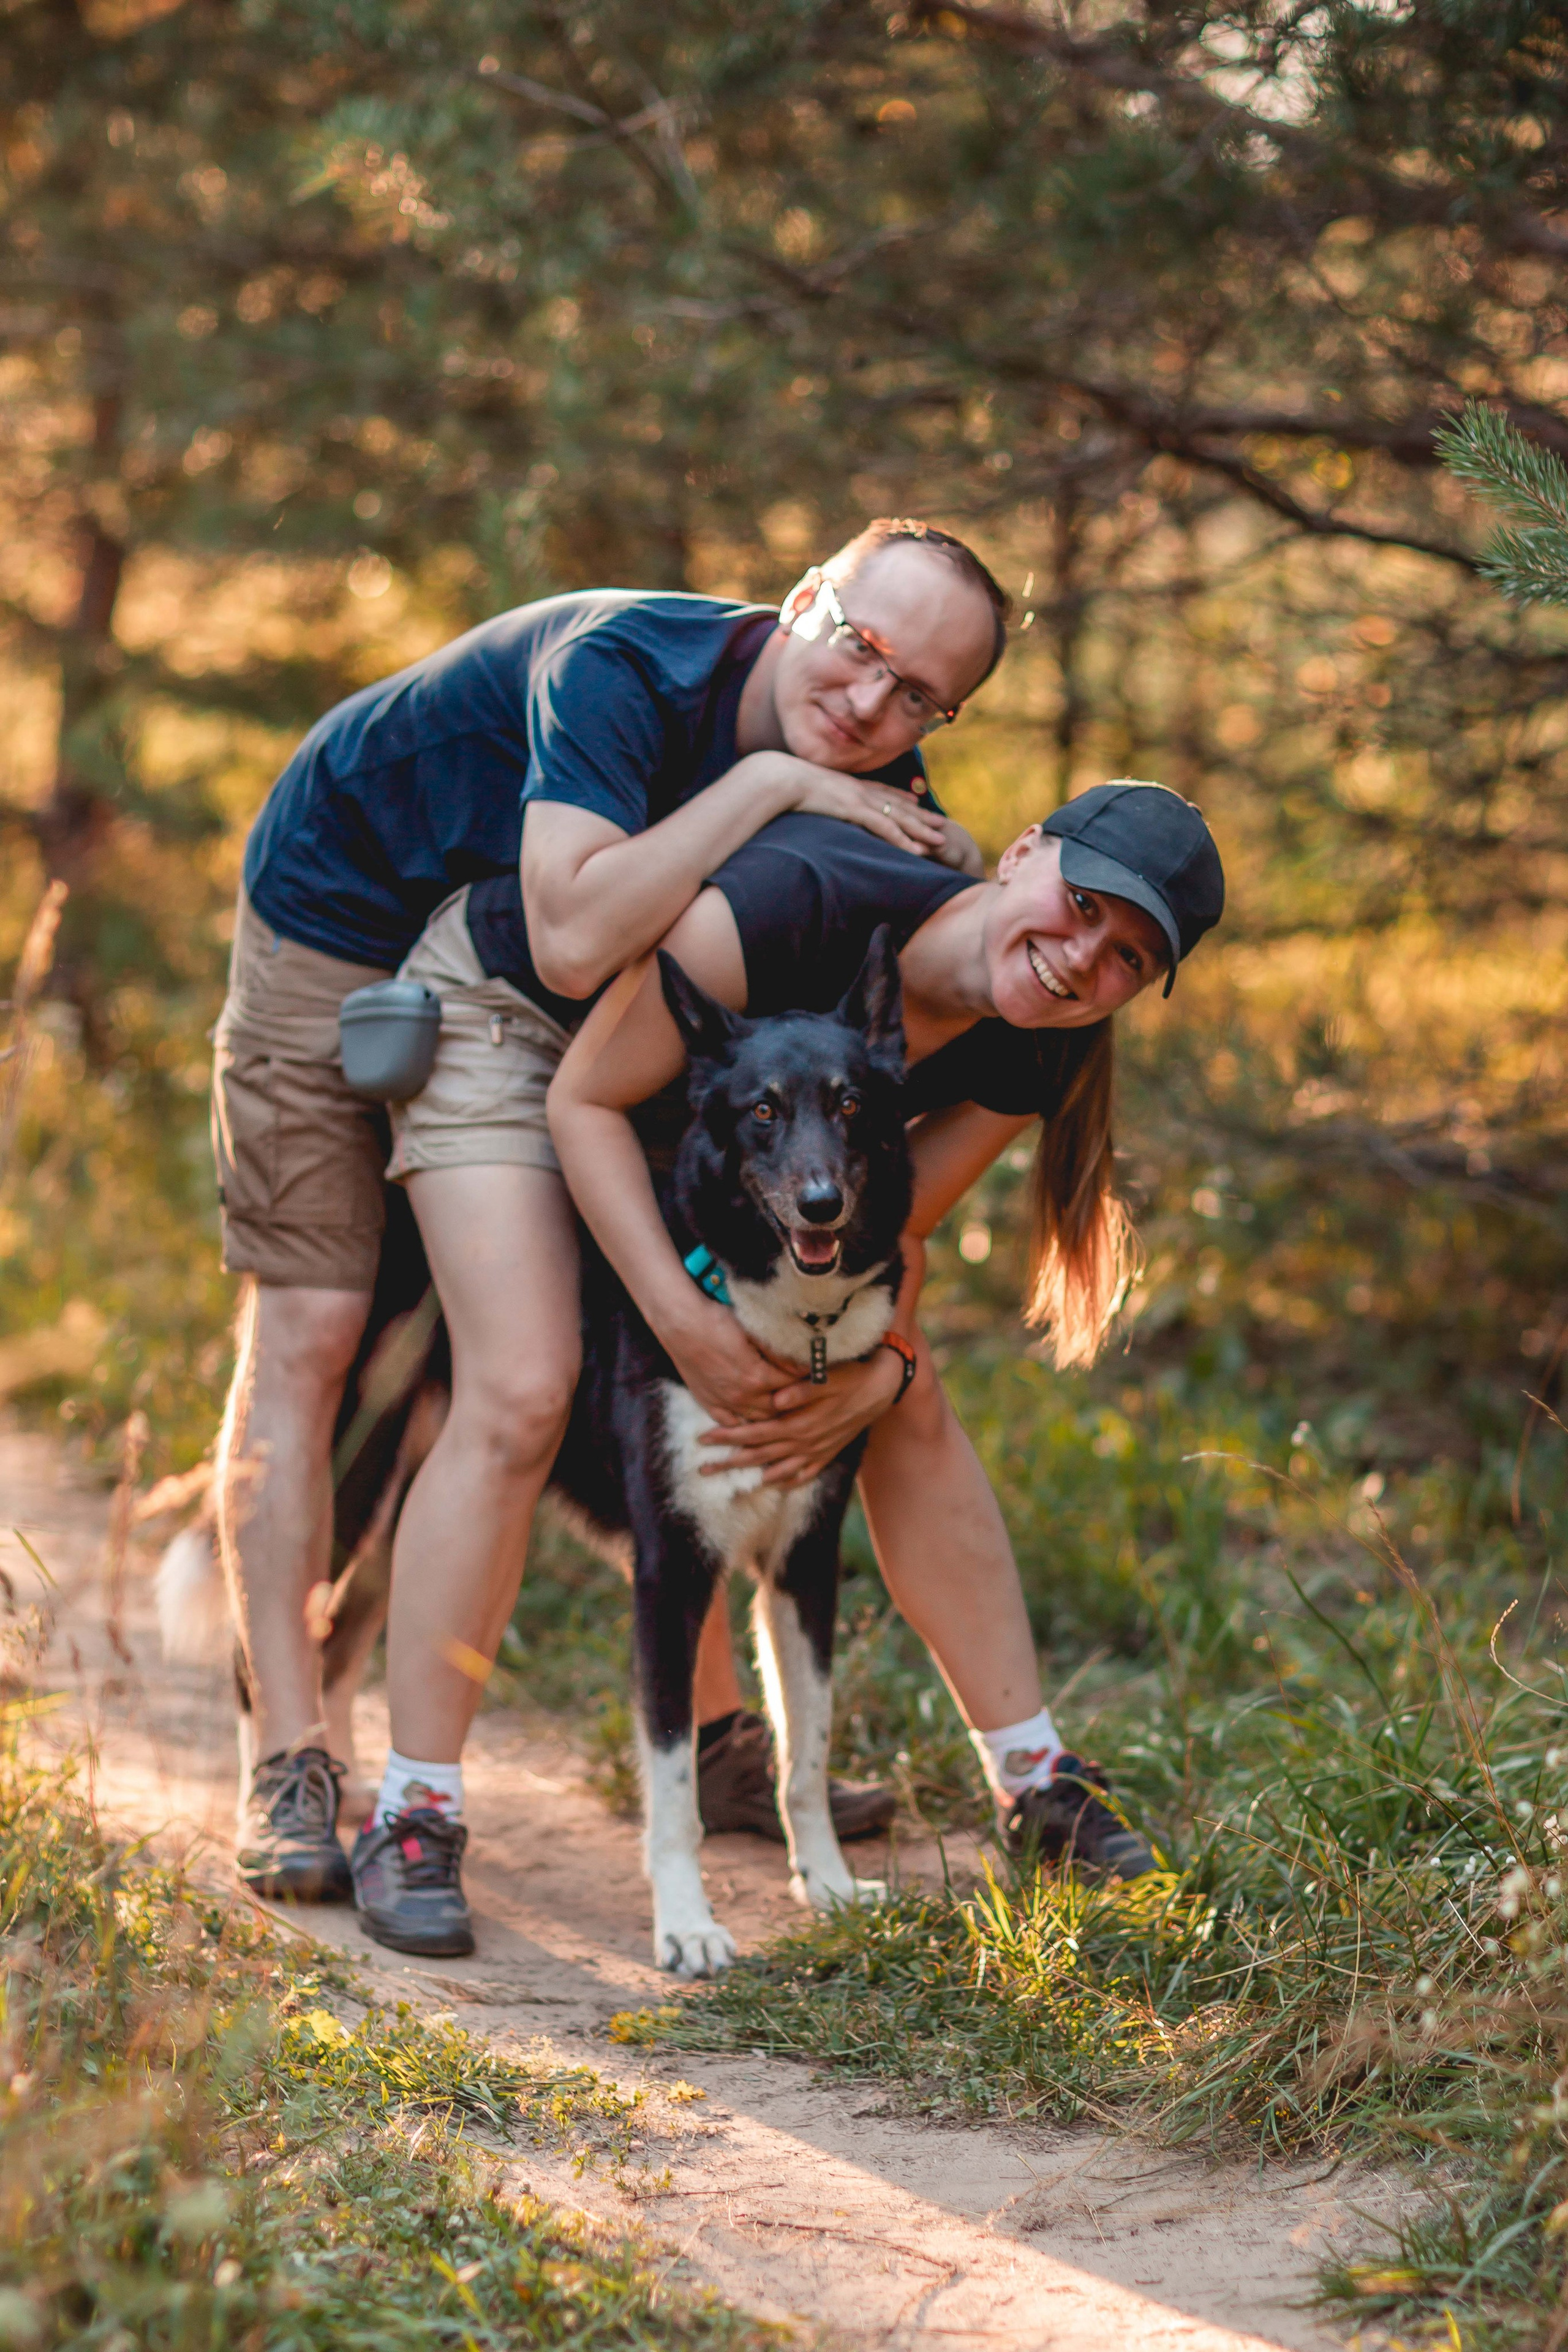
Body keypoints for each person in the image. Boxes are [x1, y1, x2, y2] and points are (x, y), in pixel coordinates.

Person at [211, 519, 1009, 1953]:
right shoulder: (624, 666)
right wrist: (774, 782)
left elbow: (857, 1058)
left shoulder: (875, 770)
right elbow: (579, 939)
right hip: (349, 911)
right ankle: (291, 1754)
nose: (874, 708)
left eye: (919, 700)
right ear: (802, 599)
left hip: (549, 1003)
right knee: (328, 1330)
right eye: (862, 650)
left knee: (638, 1350)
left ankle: (715, 1741)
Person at [543, 780, 1225, 1870]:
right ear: (1022, 851)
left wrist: (882, 1367)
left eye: (1130, 960)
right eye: (1087, 906)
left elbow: (896, 1233)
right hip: (586, 1132)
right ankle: (666, 1746)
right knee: (559, 1391)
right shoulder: (796, 902)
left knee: (895, 1406)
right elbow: (584, 1102)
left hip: (777, 1229)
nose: (1085, 959)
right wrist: (682, 1318)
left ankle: (1035, 1779)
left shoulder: (1037, 1042)